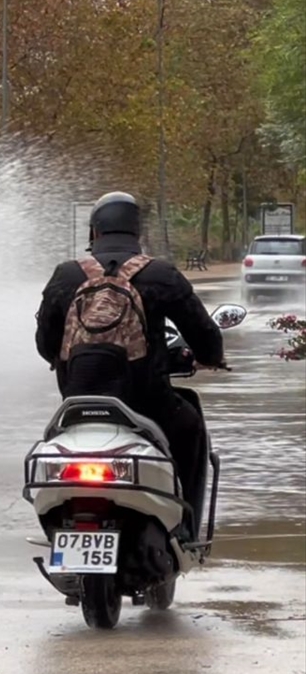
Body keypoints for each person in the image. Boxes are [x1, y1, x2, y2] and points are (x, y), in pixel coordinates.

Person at [34, 191, 225, 538]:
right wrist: (209, 357)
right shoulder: (161, 274)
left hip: (79, 404)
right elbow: (205, 336)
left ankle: (58, 522)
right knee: (190, 428)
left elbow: (46, 345)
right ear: (138, 232)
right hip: (147, 403)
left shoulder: (65, 276)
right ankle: (186, 530)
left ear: (94, 232)